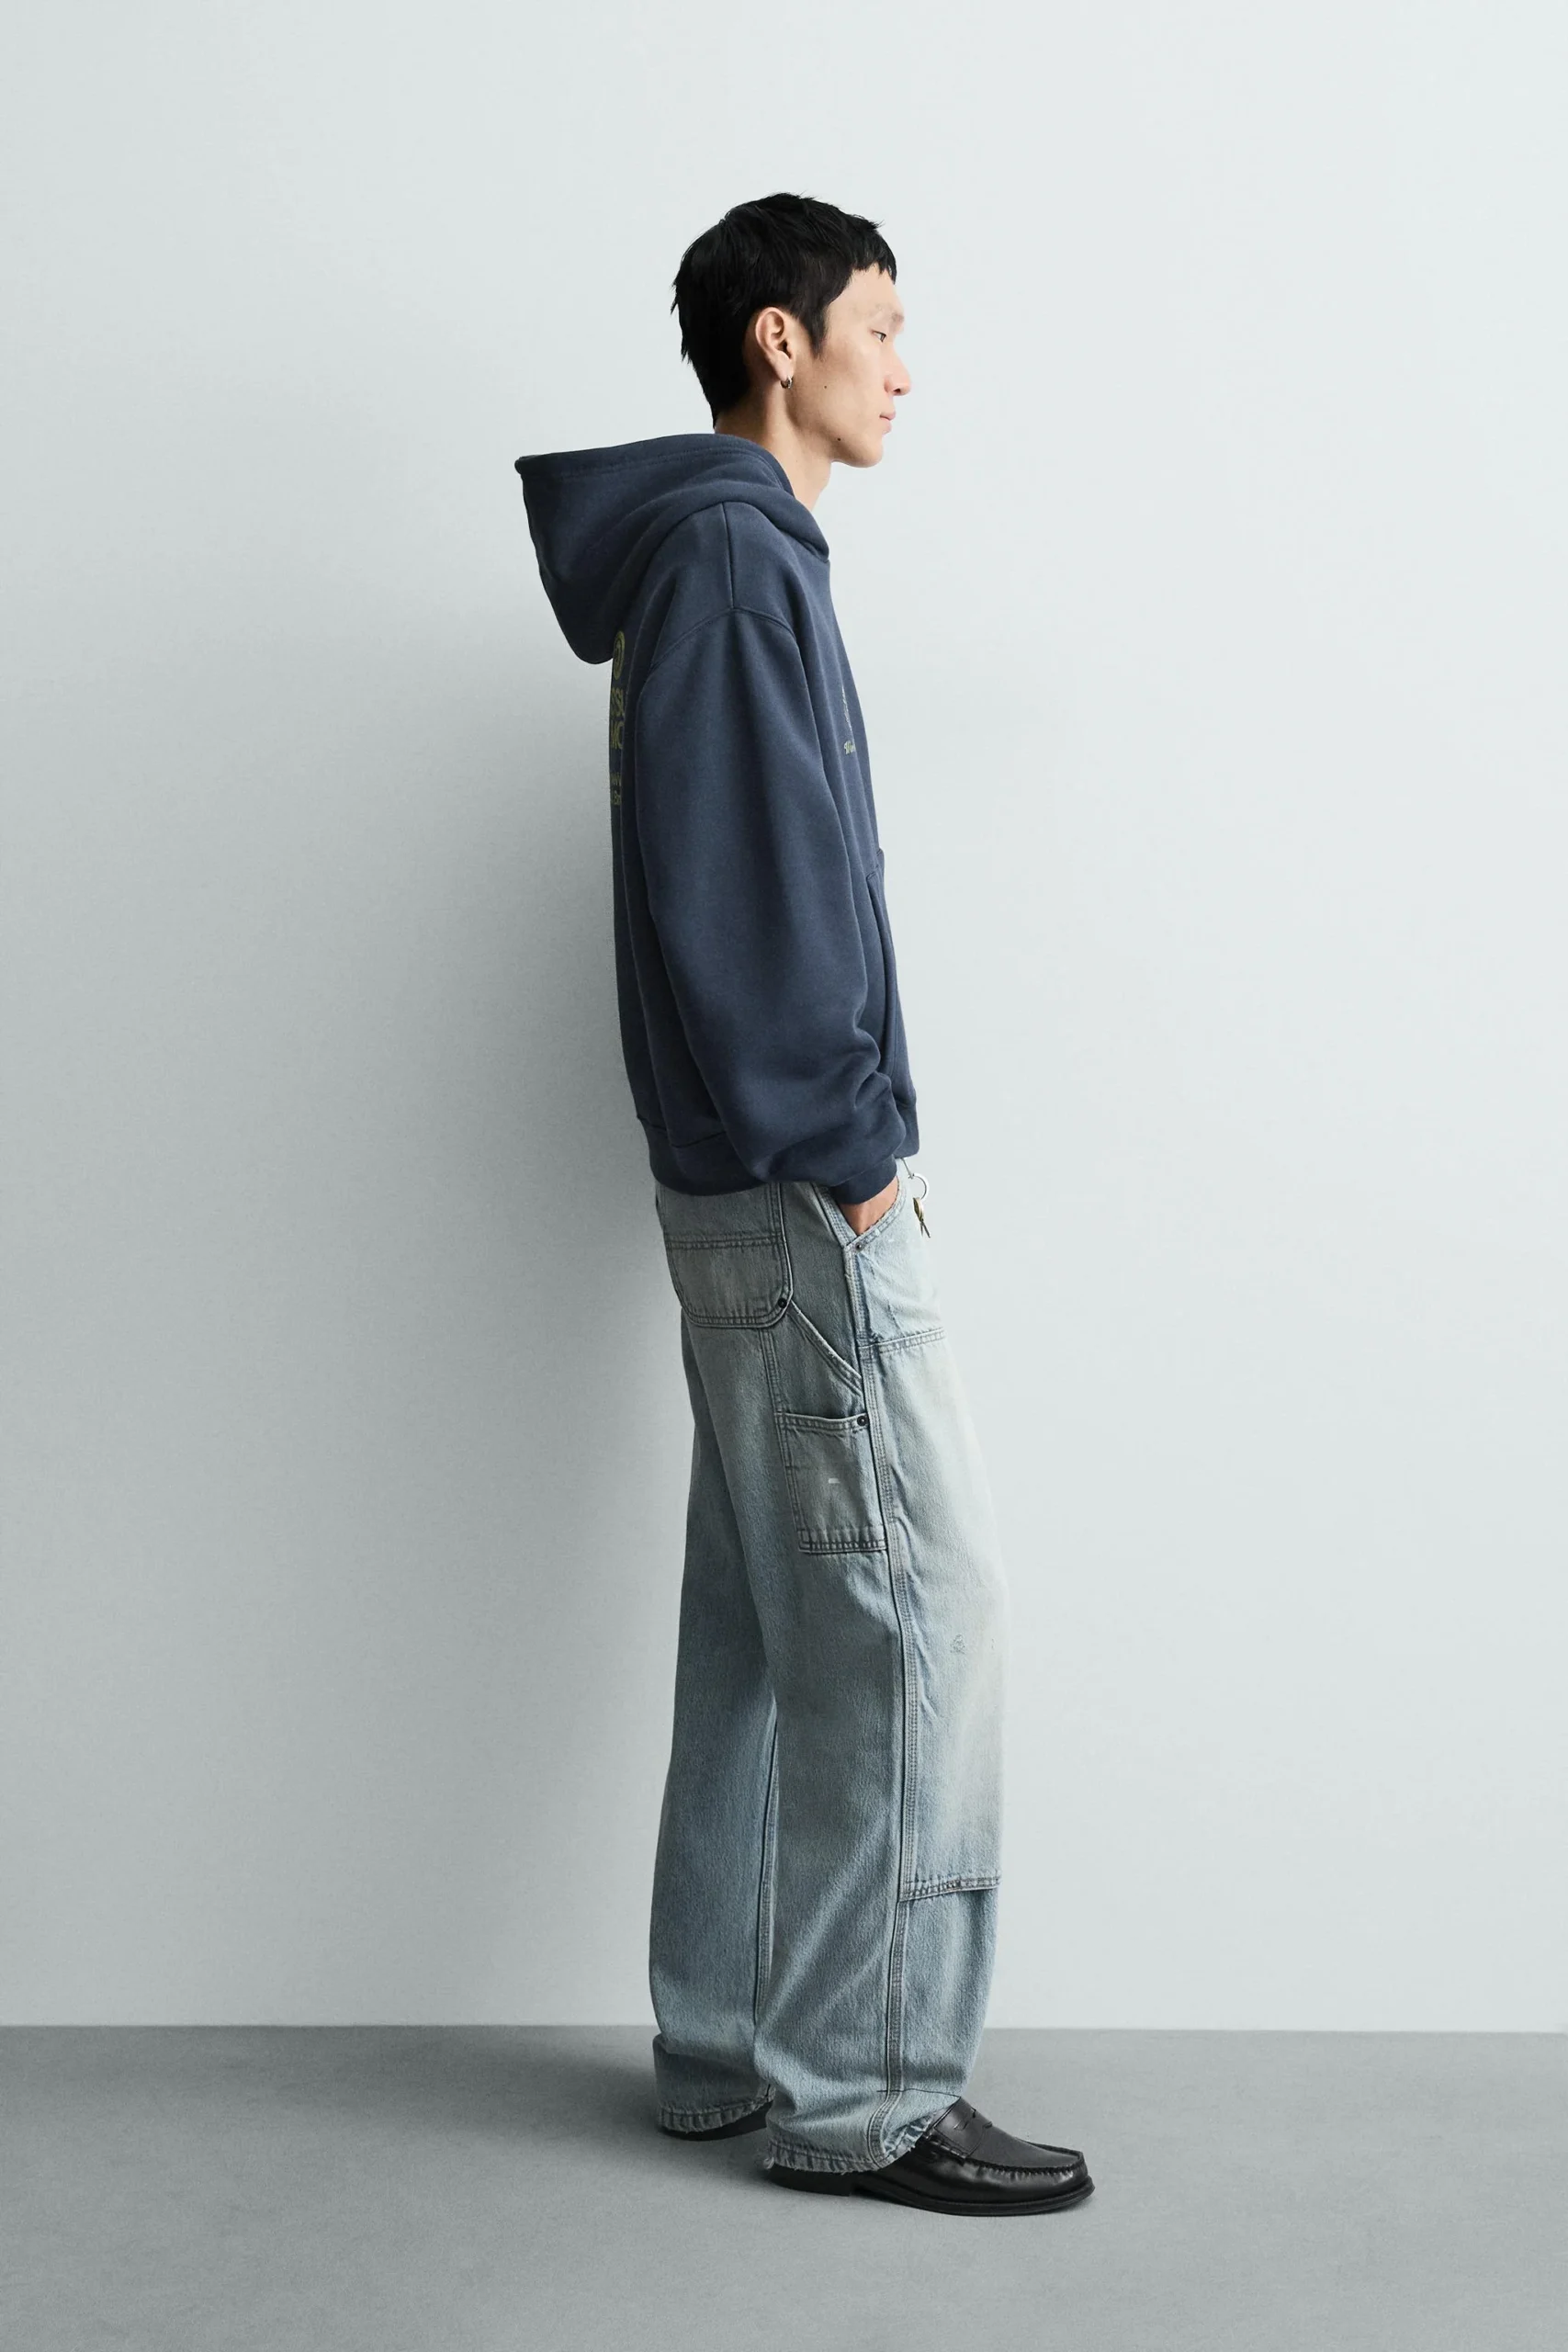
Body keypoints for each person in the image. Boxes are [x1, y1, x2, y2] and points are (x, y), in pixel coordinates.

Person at [513, 192, 1093, 2217]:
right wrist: (854, 1163)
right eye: (883, 326)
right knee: (924, 1619)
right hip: (796, 1195)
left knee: (769, 1627)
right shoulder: (739, 559)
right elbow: (750, 901)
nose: (906, 368)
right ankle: (866, 2093)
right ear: (783, 340)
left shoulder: (703, 558)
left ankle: (723, 2042)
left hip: (739, 1198)